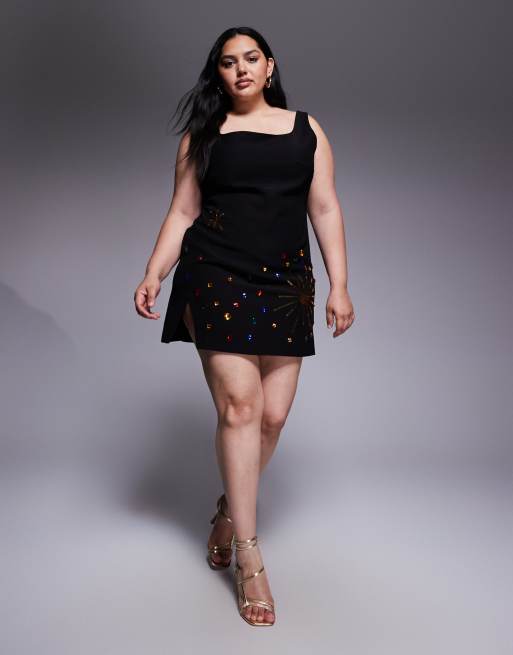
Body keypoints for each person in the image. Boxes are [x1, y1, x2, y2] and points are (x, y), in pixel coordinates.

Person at [134, 26, 355, 627]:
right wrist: (154, 271)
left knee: (273, 416)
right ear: (220, 74)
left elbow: (325, 207)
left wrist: (339, 283)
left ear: (270, 65)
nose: (241, 70)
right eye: (229, 62)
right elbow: (183, 211)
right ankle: (250, 558)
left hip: (286, 283)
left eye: (251, 58)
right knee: (241, 407)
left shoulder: (307, 130)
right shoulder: (203, 136)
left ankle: (230, 512)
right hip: (215, 273)